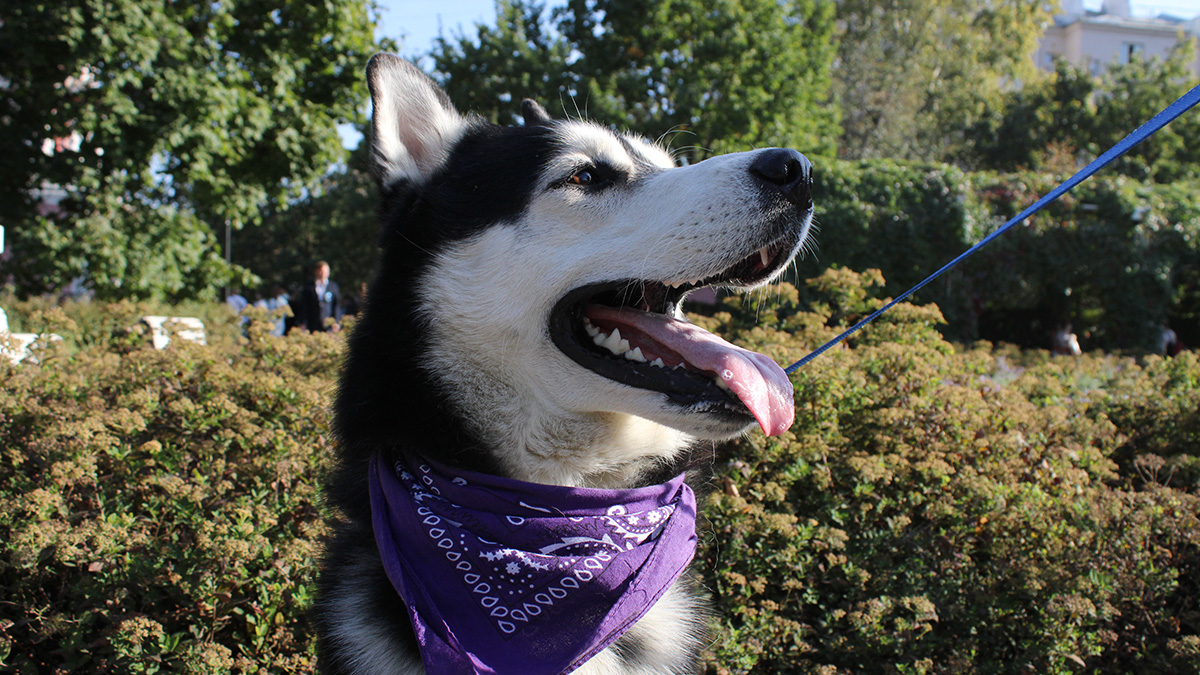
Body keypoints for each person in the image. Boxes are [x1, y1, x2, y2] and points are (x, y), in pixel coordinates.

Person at [296, 261, 342, 332]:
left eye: (326, 271)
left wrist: (336, 322)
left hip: (328, 325)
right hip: (312, 324)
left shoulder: (333, 287)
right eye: (321, 271)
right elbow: (304, 305)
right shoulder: (308, 287)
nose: (323, 274)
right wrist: (302, 322)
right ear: (316, 271)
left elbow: (336, 305)